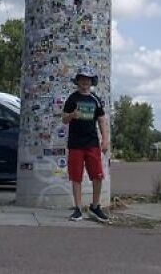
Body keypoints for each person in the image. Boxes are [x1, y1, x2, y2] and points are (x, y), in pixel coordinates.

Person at [62, 65, 110, 222]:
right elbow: (64, 119)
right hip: (75, 143)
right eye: (82, 79)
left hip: (92, 143)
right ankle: (77, 208)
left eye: (88, 80)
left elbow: (102, 120)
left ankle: (95, 206)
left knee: (97, 175)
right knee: (76, 177)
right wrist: (71, 115)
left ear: (91, 82)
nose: (85, 82)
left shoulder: (95, 99)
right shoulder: (72, 98)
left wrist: (105, 139)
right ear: (78, 81)